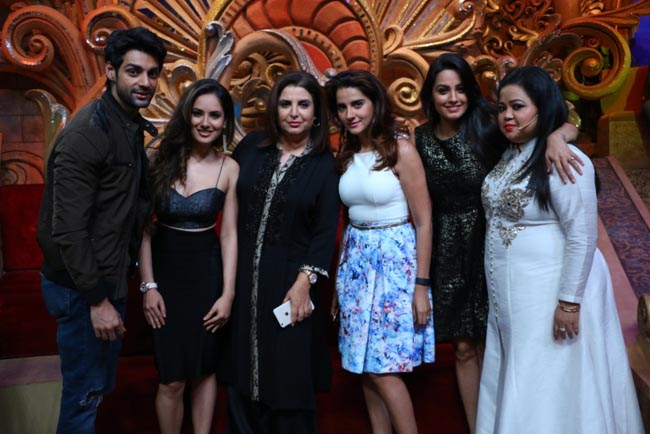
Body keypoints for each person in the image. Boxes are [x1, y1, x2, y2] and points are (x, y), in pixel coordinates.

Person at [414, 53, 582, 434]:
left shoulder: (491, 123)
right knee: (462, 347)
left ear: (472, 92)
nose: (452, 98)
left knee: (501, 340)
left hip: (495, 243)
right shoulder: (419, 138)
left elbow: (565, 120)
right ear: (430, 95)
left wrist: (558, 137)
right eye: (443, 90)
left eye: (460, 89)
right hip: (448, 250)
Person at [476, 65, 644, 434]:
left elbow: (582, 235)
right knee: (523, 369)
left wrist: (569, 302)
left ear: (543, 106)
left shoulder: (566, 160)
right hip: (516, 293)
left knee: (552, 375)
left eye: (518, 106)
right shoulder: (510, 154)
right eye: (502, 108)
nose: (507, 116)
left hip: (552, 290)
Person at [36, 27, 166, 434]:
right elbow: (67, 230)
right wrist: (96, 300)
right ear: (110, 71)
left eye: (152, 73)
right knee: (83, 398)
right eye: (134, 71)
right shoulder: (88, 132)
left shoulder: (127, 125)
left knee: (93, 391)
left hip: (106, 280)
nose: (145, 82)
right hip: (82, 288)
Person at [227, 70, 340, 434]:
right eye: (286, 104)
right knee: (244, 365)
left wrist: (304, 283)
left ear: (316, 113)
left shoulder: (324, 165)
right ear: (274, 109)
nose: (294, 113)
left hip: (293, 282)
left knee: (289, 369)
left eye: (303, 105)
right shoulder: (251, 148)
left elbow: (325, 232)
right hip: (244, 279)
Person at [327, 69, 435, 434]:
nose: (350, 114)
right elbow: (348, 222)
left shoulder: (401, 150)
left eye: (357, 104)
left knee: (385, 369)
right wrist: (341, 284)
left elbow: (424, 221)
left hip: (395, 266)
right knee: (365, 368)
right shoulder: (346, 154)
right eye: (342, 107)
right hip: (356, 266)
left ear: (375, 103)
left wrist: (421, 285)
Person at [137, 79, 239, 434]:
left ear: (225, 121)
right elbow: (143, 229)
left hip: (207, 274)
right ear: (186, 115)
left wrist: (227, 295)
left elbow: (229, 234)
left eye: (215, 115)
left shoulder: (230, 167)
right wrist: (148, 286)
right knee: (171, 379)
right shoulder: (158, 160)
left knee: (205, 369)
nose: (205, 122)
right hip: (165, 274)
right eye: (198, 113)